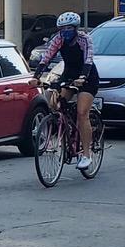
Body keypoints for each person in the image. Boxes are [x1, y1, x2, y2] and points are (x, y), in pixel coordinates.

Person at [29, 11, 99, 170]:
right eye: (62, 28)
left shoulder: (84, 39)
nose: (65, 31)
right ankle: (66, 129)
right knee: (54, 103)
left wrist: (82, 77)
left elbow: (88, 59)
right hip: (68, 74)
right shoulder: (58, 39)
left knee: (82, 113)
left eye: (68, 28)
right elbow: (46, 58)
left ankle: (86, 154)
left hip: (87, 77)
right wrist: (36, 76)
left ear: (75, 28)